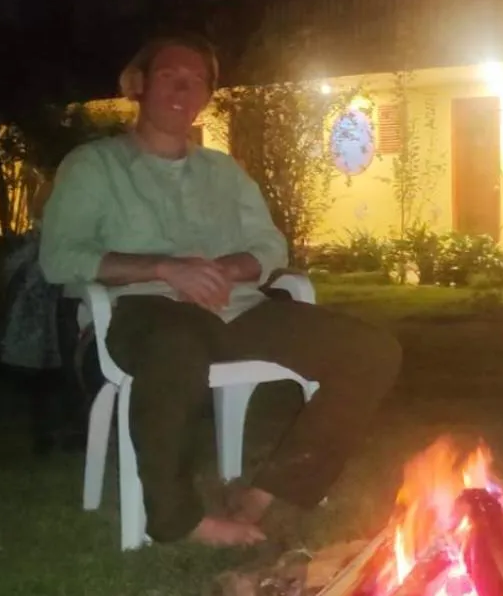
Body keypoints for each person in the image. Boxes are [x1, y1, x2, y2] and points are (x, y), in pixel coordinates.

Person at [39, 34, 402, 547]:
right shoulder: (94, 167)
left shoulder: (223, 172)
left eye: (198, 81)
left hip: (237, 308)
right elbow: (60, 259)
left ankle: (268, 492)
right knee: (175, 345)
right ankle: (175, 519)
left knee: (371, 351)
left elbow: (270, 246)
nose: (184, 89)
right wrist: (165, 269)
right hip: (140, 311)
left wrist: (230, 269)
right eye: (170, 76)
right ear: (137, 85)